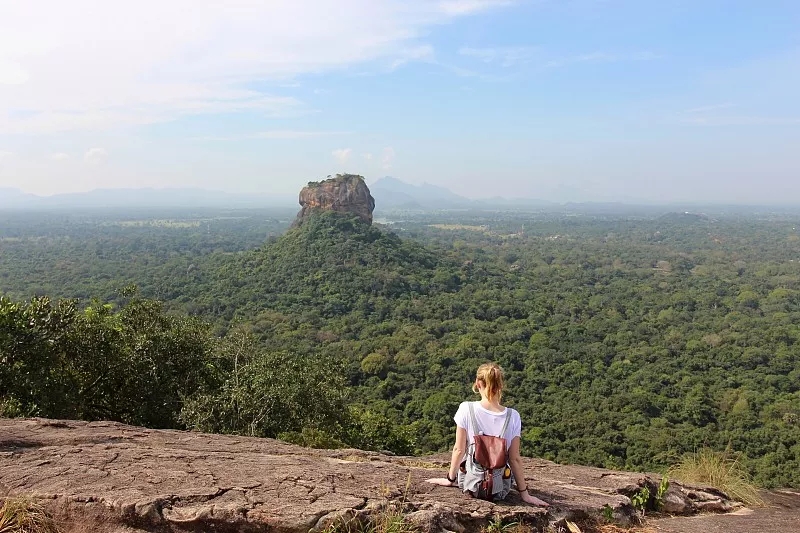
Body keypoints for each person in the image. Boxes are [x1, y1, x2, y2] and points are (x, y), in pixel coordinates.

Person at [426, 362, 549, 507]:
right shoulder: (513, 416)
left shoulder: (466, 409)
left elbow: (459, 450)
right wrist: (524, 494)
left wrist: (450, 479)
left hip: (470, 484)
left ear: (478, 383)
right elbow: (514, 458)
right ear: (501, 385)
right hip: (499, 489)